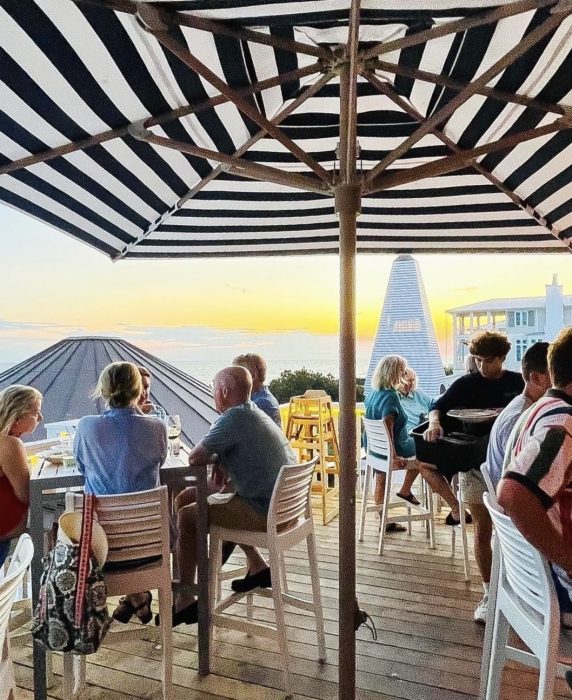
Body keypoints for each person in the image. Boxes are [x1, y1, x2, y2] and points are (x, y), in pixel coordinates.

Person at [173, 366, 296, 626]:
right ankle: (257, 565)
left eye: (213, 388)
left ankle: (184, 599)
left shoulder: (232, 419)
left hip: (265, 513)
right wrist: (221, 458)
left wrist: (215, 457)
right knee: (188, 497)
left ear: (224, 391)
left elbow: (194, 457)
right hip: (286, 509)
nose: (212, 394)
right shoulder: (253, 412)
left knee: (186, 516)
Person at [74, 361, 167, 623]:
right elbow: (160, 462)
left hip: (97, 555)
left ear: (103, 391)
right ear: (139, 390)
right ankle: (138, 594)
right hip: (150, 547)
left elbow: (82, 467)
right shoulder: (157, 427)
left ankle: (133, 598)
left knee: (56, 530)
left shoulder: (86, 427)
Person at [469, 342, 551, 623]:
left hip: (511, 521)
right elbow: (520, 493)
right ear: (537, 378)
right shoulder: (526, 420)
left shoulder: (527, 409)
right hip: (521, 539)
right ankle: (491, 595)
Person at [498, 327, 572, 630]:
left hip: (533, 578)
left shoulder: (540, 408)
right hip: (559, 587)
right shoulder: (562, 425)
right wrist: (567, 560)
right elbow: (514, 493)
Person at [424, 330, 524, 523]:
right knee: (481, 530)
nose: (481, 366)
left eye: (488, 361)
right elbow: (437, 406)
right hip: (474, 461)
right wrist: (434, 422)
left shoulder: (517, 382)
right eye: (477, 360)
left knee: (513, 527)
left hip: (512, 463)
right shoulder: (466, 383)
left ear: (502, 358)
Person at [365, 355, 463, 528]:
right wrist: (393, 456)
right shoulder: (391, 397)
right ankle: (455, 507)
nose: (403, 375)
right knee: (426, 460)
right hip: (396, 448)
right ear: (394, 373)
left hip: (375, 451)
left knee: (385, 472)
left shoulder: (373, 394)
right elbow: (388, 427)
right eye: (402, 372)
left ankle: (384, 518)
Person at [0, 385, 43, 567]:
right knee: (53, 519)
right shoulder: (10, 443)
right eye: (35, 413)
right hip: (5, 526)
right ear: (17, 417)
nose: (40, 418)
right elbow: (26, 494)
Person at [233, 353, 281, 427]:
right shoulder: (259, 396)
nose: (234, 380)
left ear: (253, 375)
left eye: (237, 375)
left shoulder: (261, 403)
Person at [397, 367, 431, 432]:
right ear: (400, 381)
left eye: (413, 380)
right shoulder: (395, 398)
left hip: (426, 427)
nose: (412, 384)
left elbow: (434, 403)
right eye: (409, 381)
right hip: (412, 434)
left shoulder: (417, 392)